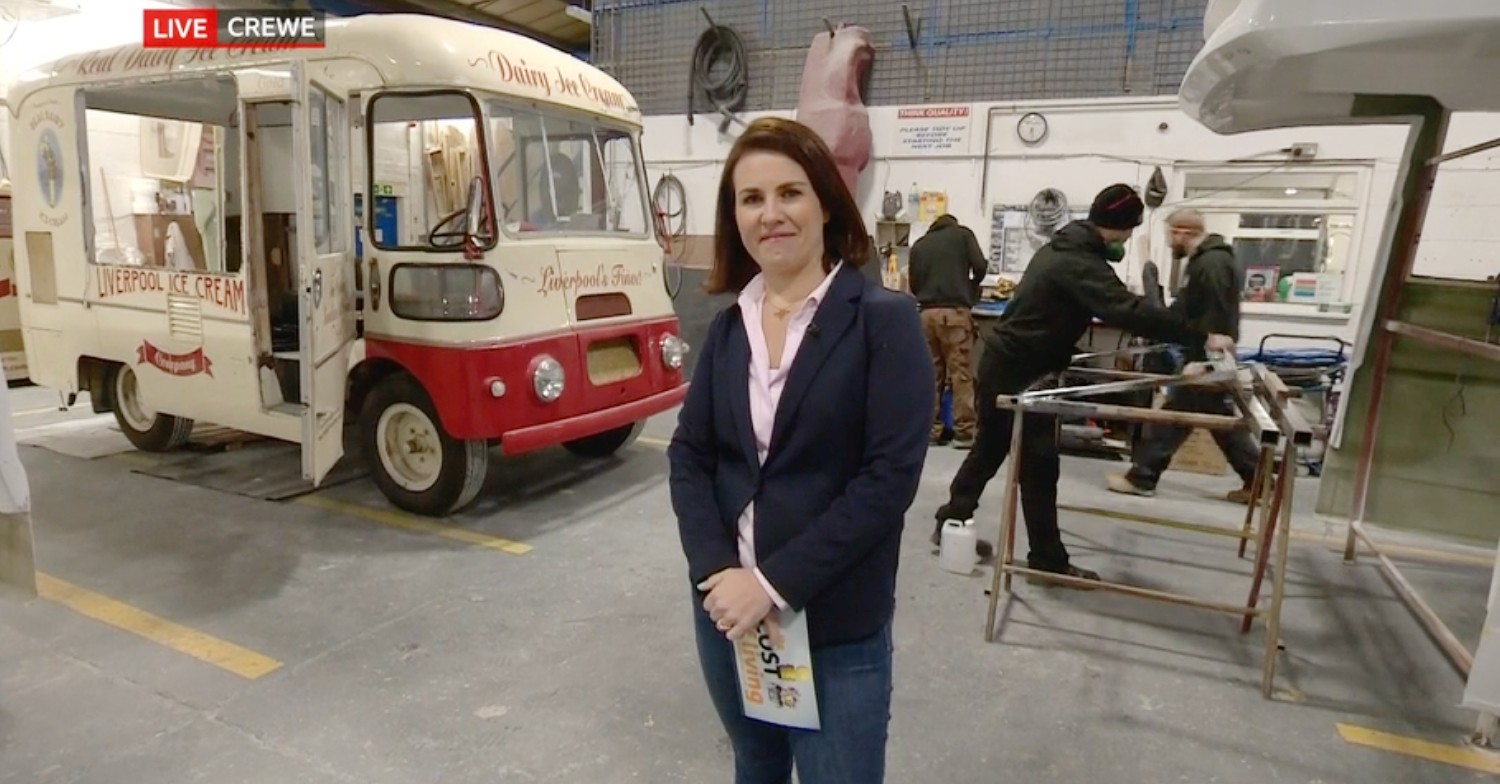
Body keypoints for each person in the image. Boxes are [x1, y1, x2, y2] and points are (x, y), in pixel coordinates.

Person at [667, 117, 932, 783]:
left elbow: (887, 480)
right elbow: (690, 456)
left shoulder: (882, 321)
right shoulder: (731, 329)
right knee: (756, 765)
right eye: (751, 199)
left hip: (832, 620)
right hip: (730, 615)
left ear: (824, 203)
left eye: (790, 192)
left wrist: (770, 583)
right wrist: (718, 573)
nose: (771, 214)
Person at [930, 184, 1236, 582]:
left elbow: (1104, 302)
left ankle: (952, 520)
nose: (1128, 239)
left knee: (991, 451)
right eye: (1128, 231)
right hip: (1021, 372)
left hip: (1011, 364)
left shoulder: (1066, 248)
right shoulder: (1078, 262)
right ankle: (1046, 559)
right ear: (1116, 227)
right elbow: (1124, 309)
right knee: (1037, 466)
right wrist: (1200, 335)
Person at [1107, 208, 1263, 503]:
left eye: (1170, 235)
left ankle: (1143, 477)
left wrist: (1204, 359)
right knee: (1217, 420)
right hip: (1207, 353)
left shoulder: (1211, 262)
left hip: (1209, 356)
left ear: (1183, 232)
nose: (1169, 242)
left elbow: (1215, 312)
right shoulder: (1208, 260)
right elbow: (1190, 309)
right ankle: (1259, 482)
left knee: (1174, 419)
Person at [908, 213, 987, 449]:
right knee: (960, 374)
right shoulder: (963, 235)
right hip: (954, 313)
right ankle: (964, 433)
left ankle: (930, 431)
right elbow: (980, 266)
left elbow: (913, 284)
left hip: (926, 315)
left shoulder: (920, 245)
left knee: (930, 375)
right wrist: (971, 286)